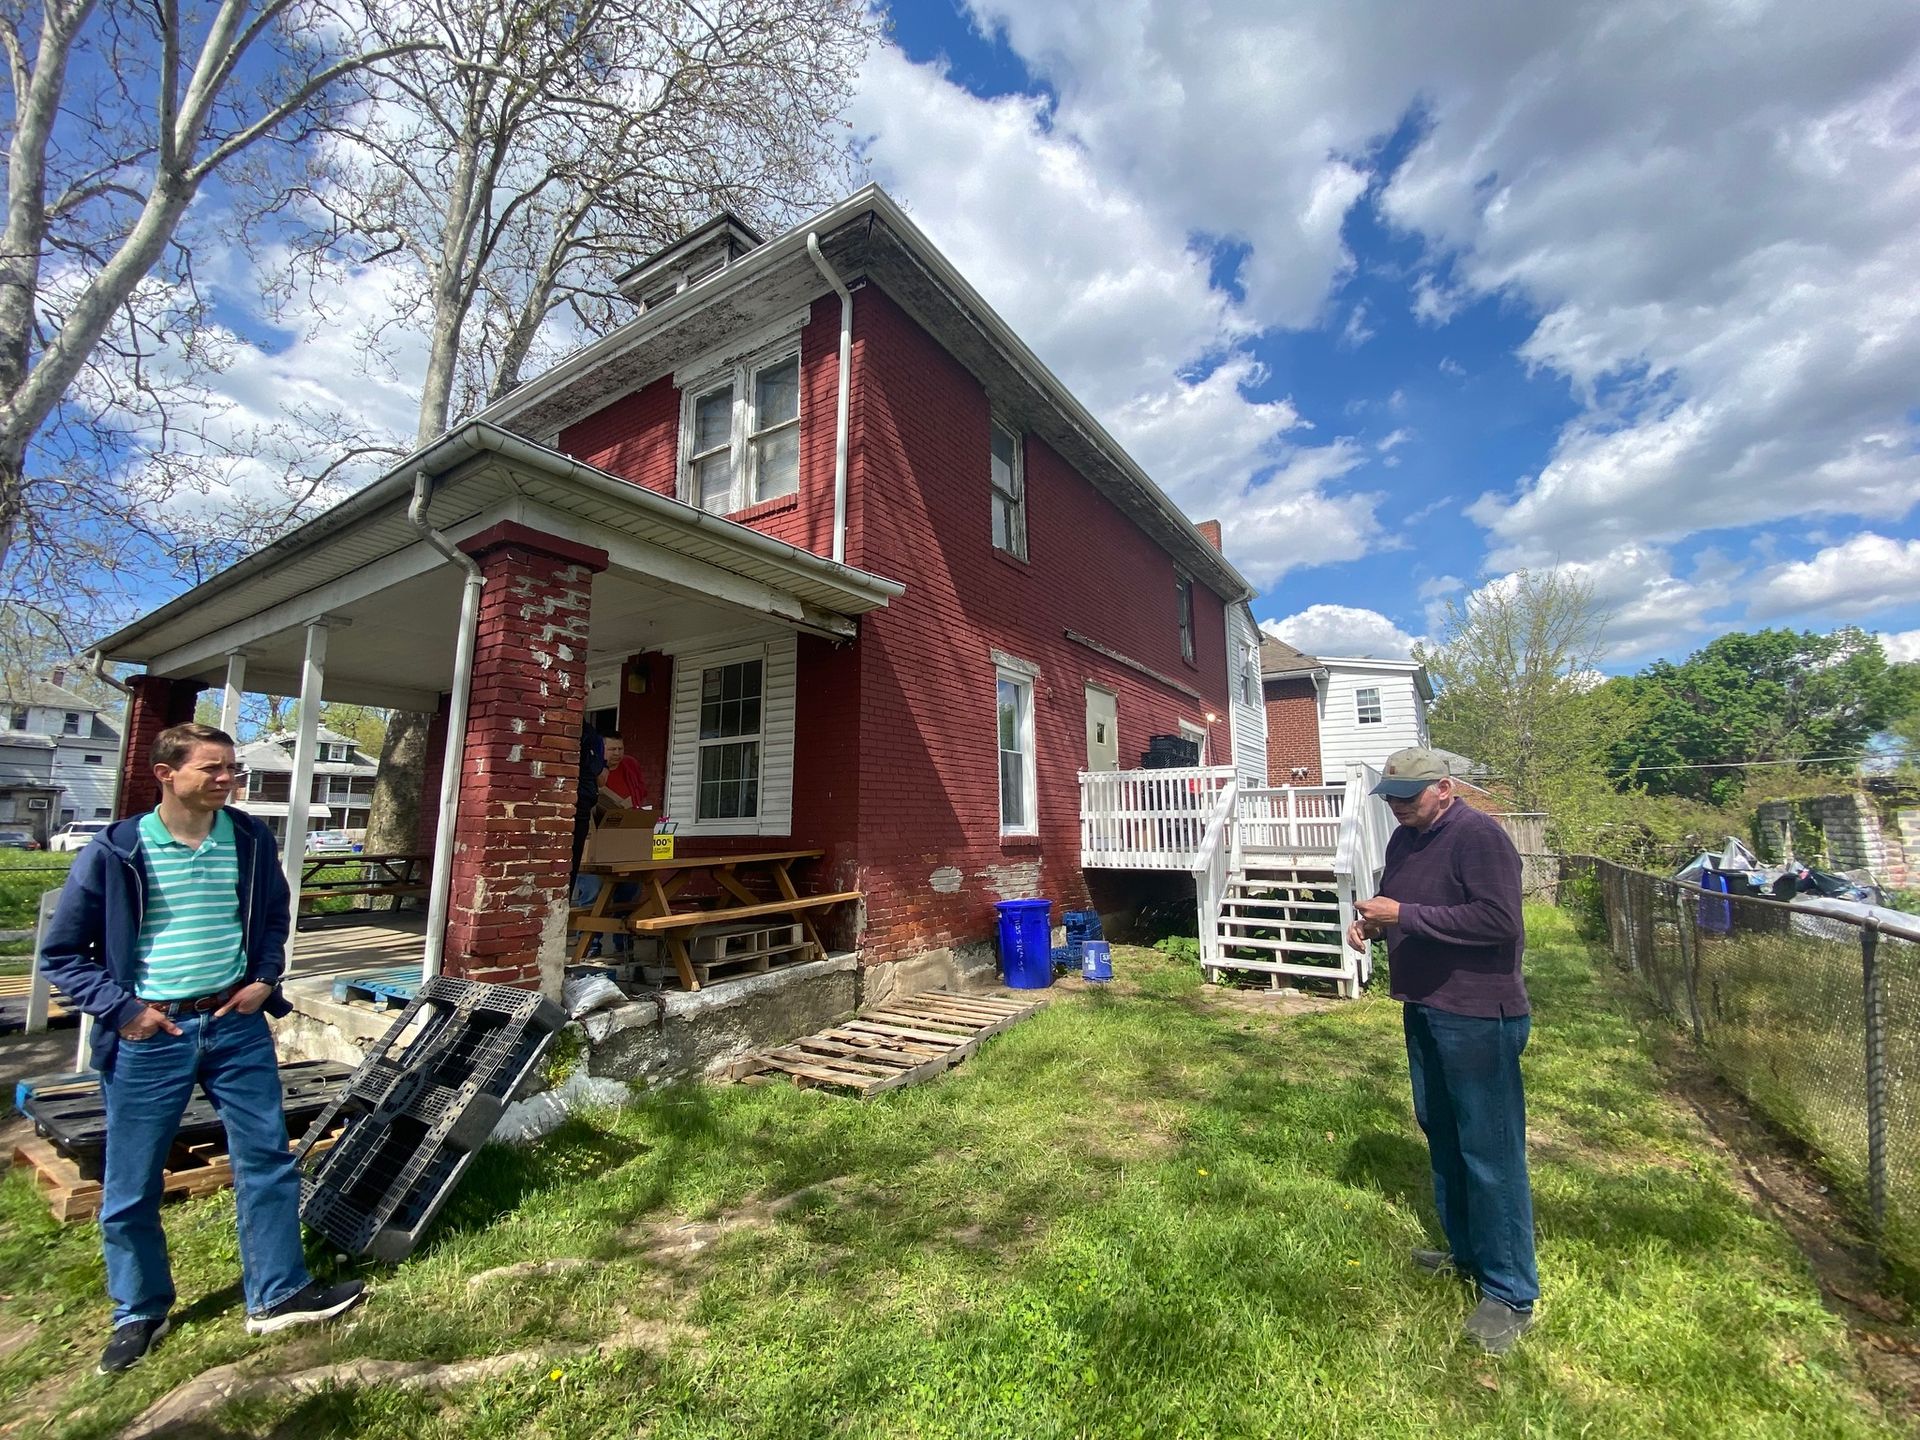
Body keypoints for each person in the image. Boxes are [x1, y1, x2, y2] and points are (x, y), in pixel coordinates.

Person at [41, 723, 366, 1374]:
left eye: (231, 769)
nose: (226, 779)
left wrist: (265, 978)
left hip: (234, 1024)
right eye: (211, 768)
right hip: (152, 1035)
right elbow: (63, 954)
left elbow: (273, 917)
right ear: (166, 773)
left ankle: (277, 1294)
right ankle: (139, 1311)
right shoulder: (118, 851)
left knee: (267, 1158)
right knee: (132, 1180)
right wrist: (124, 1011)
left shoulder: (247, 839)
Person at [1346, 746, 1536, 1354]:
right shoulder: (1405, 839)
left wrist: (1404, 913)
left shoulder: (1480, 837)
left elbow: (1499, 921)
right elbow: (1405, 909)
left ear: (1445, 789)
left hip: (1479, 1014)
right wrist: (1374, 925)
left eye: (1409, 796)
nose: (1398, 807)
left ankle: (1510, 1292)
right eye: (1391, 798)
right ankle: (1467, 1253)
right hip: (1425, 1004)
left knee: (1490, 1149)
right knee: (1444, 1133)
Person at [598, 735, 650, 814]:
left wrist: (633, 801)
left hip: (632, 814)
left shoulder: (630, 764)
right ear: (601, 749)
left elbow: (642, 789)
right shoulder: (594, 767)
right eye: (612, 749)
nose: (617, 753)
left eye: (620, 749)